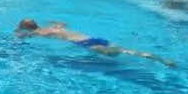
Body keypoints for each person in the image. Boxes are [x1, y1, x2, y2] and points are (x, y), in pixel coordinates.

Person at [14, 19, 175, 67]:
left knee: (121, 52)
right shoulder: (52, 27)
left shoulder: (40, 32)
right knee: (124, 50)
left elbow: (24, 37)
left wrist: (19, 35)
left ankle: (159, 59)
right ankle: (158, 59)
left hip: (86, 44)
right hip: (92, 38)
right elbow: (63, 23)